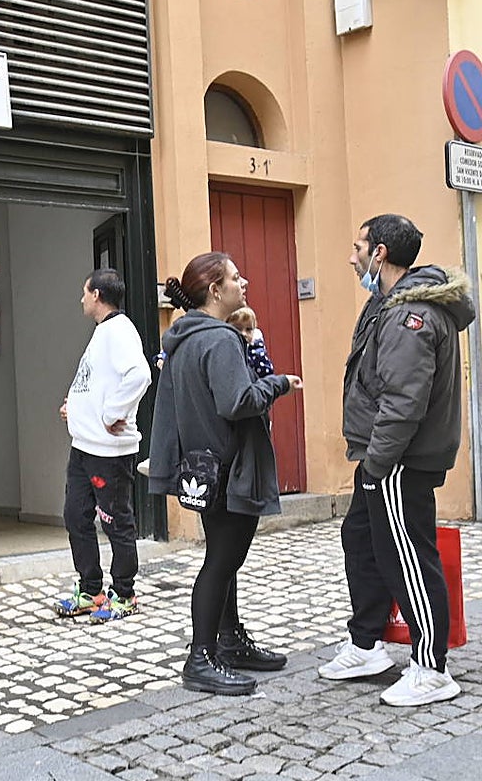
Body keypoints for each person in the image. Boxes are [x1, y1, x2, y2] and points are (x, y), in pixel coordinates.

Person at [319, 214, 474, 706]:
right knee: (362, 540)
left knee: (407, 555)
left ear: (380, 253)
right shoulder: (386, 304)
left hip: (398, 459)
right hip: (381, 455)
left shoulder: (412, 316)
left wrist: (379, 464)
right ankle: (366, 645)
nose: (352, 257)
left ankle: (431, 668)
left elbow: (404, 400)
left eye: (358, 247)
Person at [148, 253, 302, 695]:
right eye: (235, 277)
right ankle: (200, 658)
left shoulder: (184, 338)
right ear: (215, 291)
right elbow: (237, 402)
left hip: (205, 469)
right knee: (222, 562)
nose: (244, 282)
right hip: (232, 469)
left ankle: (229, 641)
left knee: (222, 557)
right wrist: (278, 383)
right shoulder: (219, 339)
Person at [54, 269, 151, 622]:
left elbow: (140, 375)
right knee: (75, 516)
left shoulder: (120, 330)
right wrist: (76, 407)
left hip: (108, 453)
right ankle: (91, 591)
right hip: (84, 447)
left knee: (115, 522)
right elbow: (95, 384)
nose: (81, 299)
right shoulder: (103, 332)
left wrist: (112, 414)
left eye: (84, 292)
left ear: (96, 294)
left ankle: (124, 594)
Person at [226, 306, 274, 379]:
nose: (243, 334)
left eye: (248, 329)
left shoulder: (257, 352)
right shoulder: (225, 348)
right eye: (237, 328)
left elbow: (267, 375)